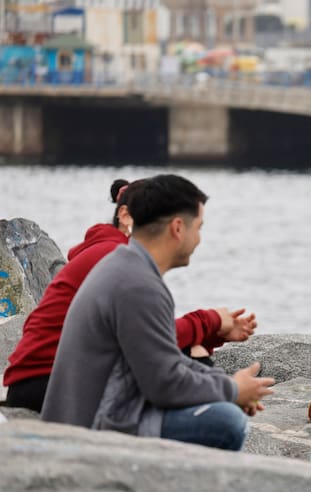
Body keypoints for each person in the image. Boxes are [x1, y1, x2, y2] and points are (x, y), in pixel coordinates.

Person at [41, 174, 274, 451]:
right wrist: (232, 391)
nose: (199, 239)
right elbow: (164, 384)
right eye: (198, 227)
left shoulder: (127, 267)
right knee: (226, 423)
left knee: (218, 404)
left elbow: (167, 360)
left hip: (101, 410)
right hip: (93, 428)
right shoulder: (136, 283)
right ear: (178, 228)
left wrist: (226, 384)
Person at [3, 178, 256, 412]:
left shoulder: (115, 254)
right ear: (125, 216)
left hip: (46, 379)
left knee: (193, 353)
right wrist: (208, 322)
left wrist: (212, 331)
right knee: (203, 378)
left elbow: (146, 335)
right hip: (48, 383)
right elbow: (152, 339)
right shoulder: (116, 258)